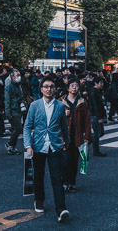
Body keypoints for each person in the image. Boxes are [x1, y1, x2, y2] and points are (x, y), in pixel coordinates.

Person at [23, 76, 70, 223]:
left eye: (51, 87)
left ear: (55, 89)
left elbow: (64, 127)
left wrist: (66, 142)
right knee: (38, 175)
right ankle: (39, 200)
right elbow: (27, 127)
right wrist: (28, 146)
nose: (49, 89)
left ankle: (61, 208)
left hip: (55, 146)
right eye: (46, 87)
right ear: (41, 89)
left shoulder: (60, 106)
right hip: (38, 146)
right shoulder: (35, 105)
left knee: (57, 177)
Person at [61, 79, 91, 192]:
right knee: (65, 160)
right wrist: (64, 114)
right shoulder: (61, 101)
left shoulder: (82, 102)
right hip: (64, 136)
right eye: (72, 85)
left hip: (77, 136)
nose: (74, 87)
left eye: (76, 85)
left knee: (74, 160)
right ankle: (65, 182)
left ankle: (72, 183)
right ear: (68, 88)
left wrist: (87, 137)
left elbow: (87, 121)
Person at [86, 77, 107, 157]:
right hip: (95, 115)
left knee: (100, 133)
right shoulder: (93, 92)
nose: (102, 84)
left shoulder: (97, 91)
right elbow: (95, 105)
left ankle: (88, 140)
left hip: (97, 114)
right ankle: (95, 150)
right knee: (97, 133)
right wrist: (99, 117)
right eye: (100, 83)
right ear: (96, 83)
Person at [5, 69, 24, 155]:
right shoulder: (9, 87)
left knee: (16, 129)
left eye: (19, 75)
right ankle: (10, 144)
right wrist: (8, 113)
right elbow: (7, 100)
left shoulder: (18, 86)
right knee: (18, 128)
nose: (18, 77)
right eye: (17, 75)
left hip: (18, 109)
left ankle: (12, 146)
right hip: (13, 110)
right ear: (12, 77)